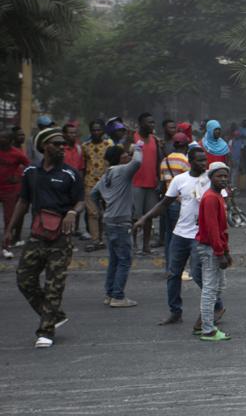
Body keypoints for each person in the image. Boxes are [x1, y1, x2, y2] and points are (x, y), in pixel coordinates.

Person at [4, 127, 84, 349]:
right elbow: (22, 202)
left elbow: (80, 201)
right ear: (45, 147)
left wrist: (72, 212)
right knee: (24, 279)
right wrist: (9, 229)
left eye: (63, 144)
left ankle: (45, 330)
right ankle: (54, 315)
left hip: (61, 236)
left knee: (54, 284)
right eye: (57, 144)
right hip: (38, 234)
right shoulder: (30, 172)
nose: (62, 147)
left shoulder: (70, 173)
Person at [134, 147, 222, 329]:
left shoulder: (211, 179)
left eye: (204, 160)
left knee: (198, 274)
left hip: (200, 236)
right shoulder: (179, 180)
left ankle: (217, 305)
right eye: (199, 160)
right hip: (181, 233)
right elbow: (164, 203)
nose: (203, 163)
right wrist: (145, 218)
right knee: (173, 273)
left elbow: (222, 203)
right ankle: (175, 312)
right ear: (190, 161)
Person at [91, 141, 144, 308]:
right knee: (124, 260)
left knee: (114, 259)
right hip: (121, 221)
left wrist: (102, 207)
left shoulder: (106, 174)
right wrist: (138, 147)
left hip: (109, 220)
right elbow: (137, 162)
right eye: (124, 155)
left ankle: (110, 293)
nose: (127, 156)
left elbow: (93, 194)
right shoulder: (122, 171)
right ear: (119, 158)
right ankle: (118, 296)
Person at [195, 162, 232, 341]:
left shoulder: (217, 196)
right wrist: (220, 252)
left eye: (225, 176)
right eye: (219, 176)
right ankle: (208, 330)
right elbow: (212, 229)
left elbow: (221, 228)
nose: (223, 179)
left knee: (218, 287)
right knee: (210, 289)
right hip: (210, 248)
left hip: (216, 247)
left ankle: (201, 323)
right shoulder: (210, 198)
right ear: (211, 177)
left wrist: (226, 250)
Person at [157, 133, 190, 268]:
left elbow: (163, 182)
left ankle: (169, 267)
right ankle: (178, 268)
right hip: (180, 203)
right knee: (180, 239)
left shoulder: (164, 161)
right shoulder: (185, 161)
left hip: (167, 202)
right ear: (186, 146)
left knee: (169, 236)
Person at [130, 113, 161, 255]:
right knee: (135, 216)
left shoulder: (155, 139)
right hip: (135, 183)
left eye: (153, 123)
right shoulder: (132, 137)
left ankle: (146, 245)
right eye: (149, 123)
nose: (152, 125)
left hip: (151, 183)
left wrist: (159, 180)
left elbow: (159, 161)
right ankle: (134, 244)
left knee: (149, 216)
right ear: (141, 124)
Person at [0, 125, 31, 259]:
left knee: (9, 219)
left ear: (10, 140)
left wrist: (19, 177)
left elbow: (29, 167)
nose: (2, 140)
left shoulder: (17, 153)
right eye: (0, 137)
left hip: (9, 191)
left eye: (5, 138)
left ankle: (6, 247)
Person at [81, 120, 110, 252]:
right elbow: (82, 165)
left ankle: (105, 238)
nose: (96, 132)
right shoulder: (85, 146)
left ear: (103, 131)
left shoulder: (108, 145)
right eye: (94, 130)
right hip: (89, 182)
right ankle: (95, 240)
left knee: (106, 213)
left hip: (106, 183)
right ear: (90, 131)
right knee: (92, 213)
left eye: (99, 130)